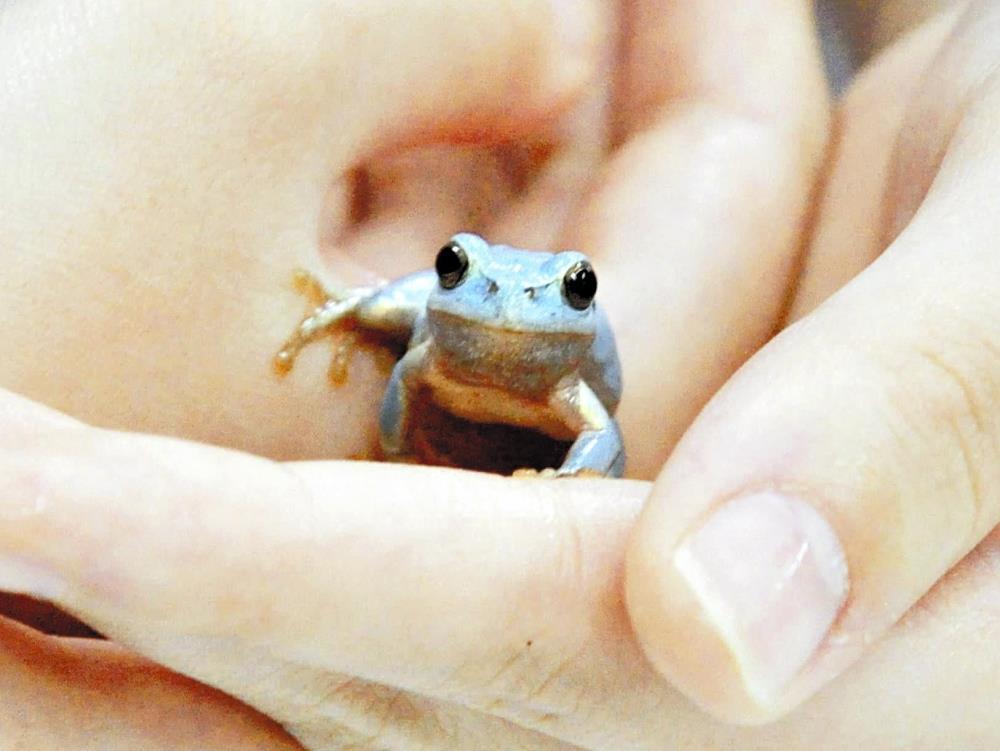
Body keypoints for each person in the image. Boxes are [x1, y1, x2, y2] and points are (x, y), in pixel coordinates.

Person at [0, 0, 995, 748]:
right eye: (453, 271)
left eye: (568, 291)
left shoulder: (571, 368)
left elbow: (599, 428)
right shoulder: (440, 319)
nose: (518, 303)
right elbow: (412, 360)